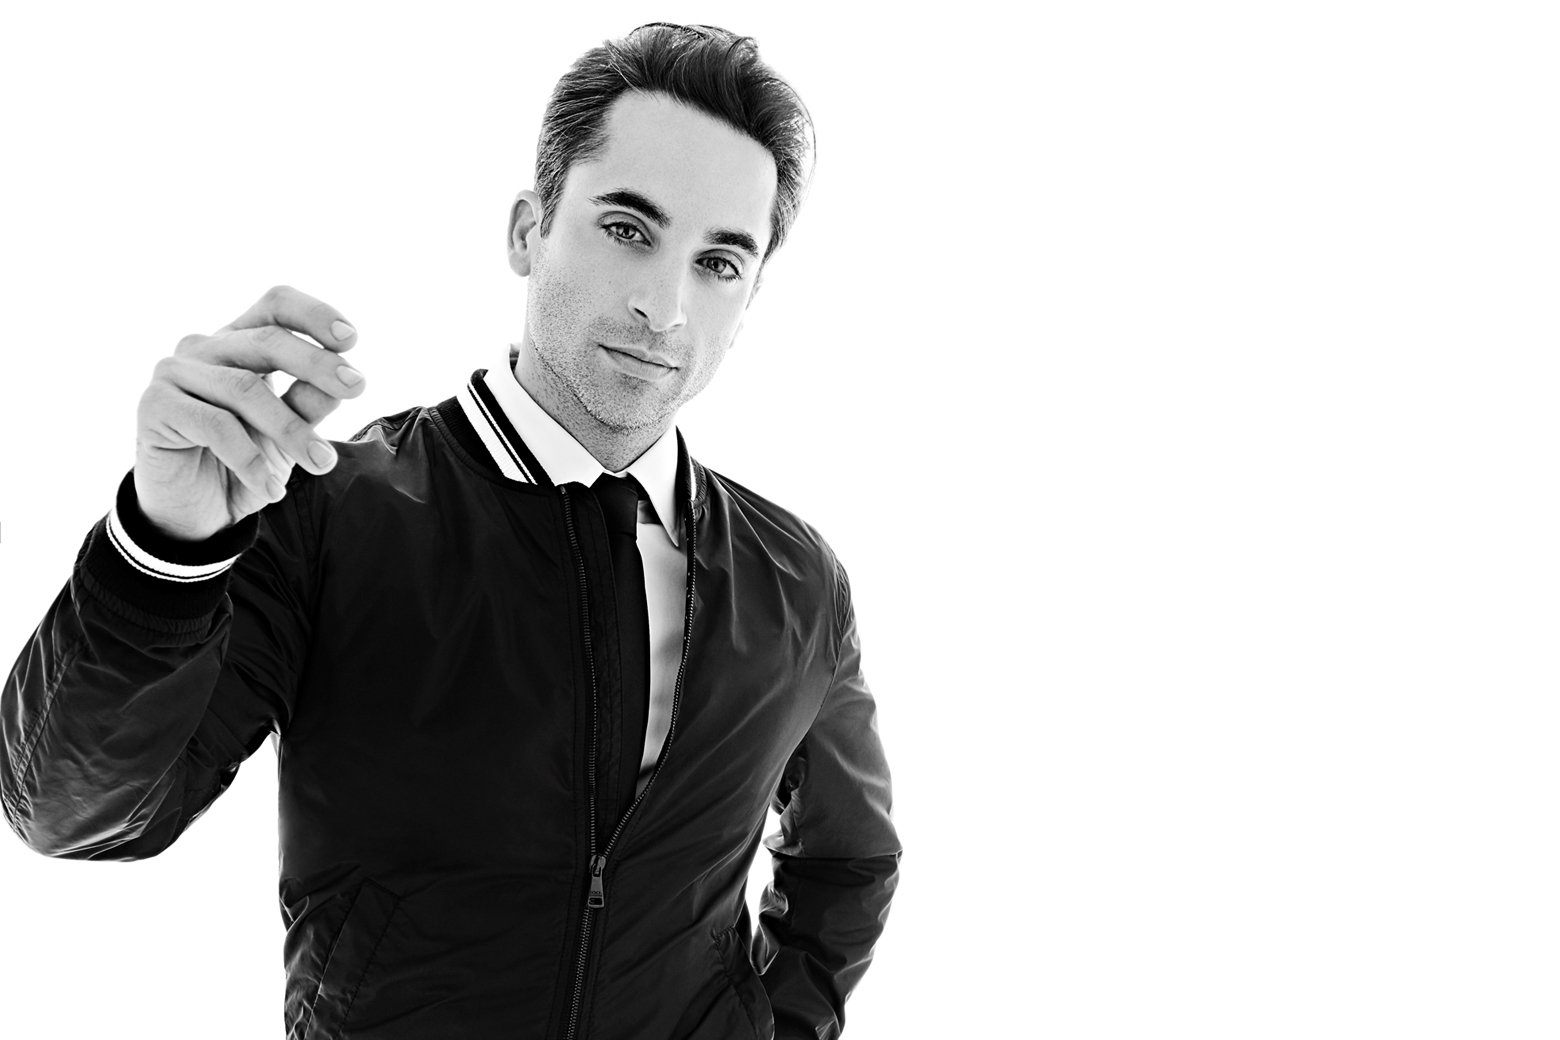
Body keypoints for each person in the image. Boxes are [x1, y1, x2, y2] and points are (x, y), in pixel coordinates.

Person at [0, 22, 899, 1040]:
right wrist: (162, 551)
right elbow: (68, 811)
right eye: (627, 229)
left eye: (720, 262)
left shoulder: (797, 579)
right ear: (526, 231)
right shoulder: (329, 511)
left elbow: (849, 858)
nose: (665, 306)